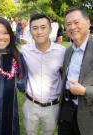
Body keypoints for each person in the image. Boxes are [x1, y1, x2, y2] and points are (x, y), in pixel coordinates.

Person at [21, 13, 65, 135]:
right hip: (31, 104)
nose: (39, 32)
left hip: (53, 106)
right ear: (30, 31)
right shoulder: (24, 51)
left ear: (50, 29)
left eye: (43, 27)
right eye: (35, 28)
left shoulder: (61, 52)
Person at [58, 7, 93, 135]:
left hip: (88, 113)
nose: (72, 27)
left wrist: (84, 91)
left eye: (76, 22)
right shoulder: (68, 51)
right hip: (67, 108)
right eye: (68, 24)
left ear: (88, 23)